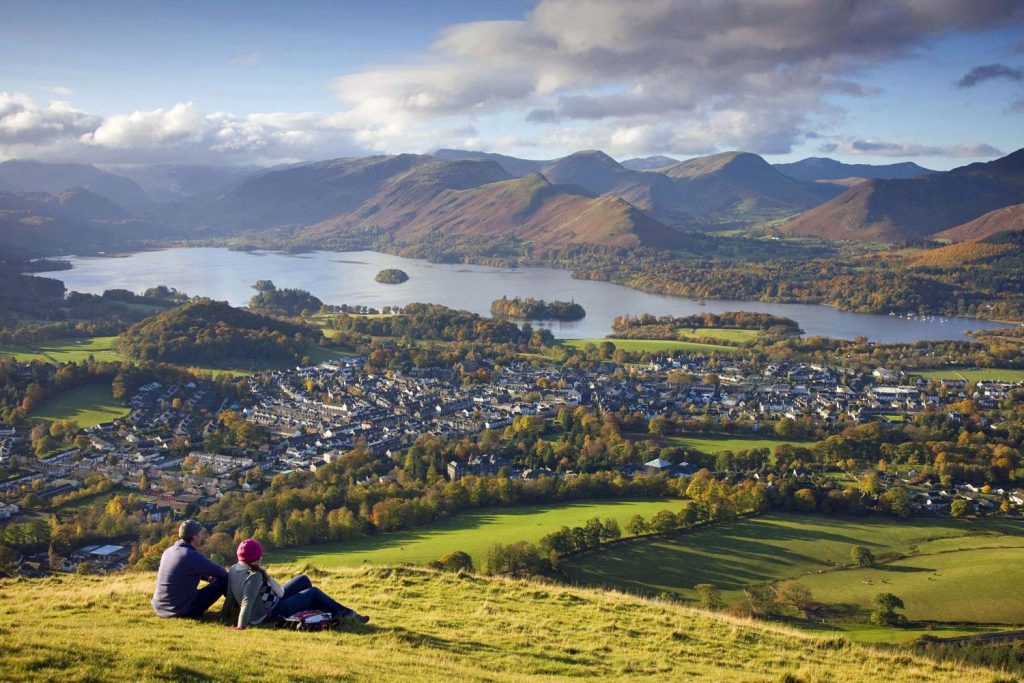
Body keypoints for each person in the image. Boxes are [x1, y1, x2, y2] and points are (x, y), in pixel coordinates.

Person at [222, 538, 369, 630]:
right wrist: (241, 626)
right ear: (255, 558)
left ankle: (316, 612)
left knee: (303, 580)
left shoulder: (234, 569)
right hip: (272, 612)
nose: (261, 559)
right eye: (260, 557)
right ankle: (348, 615)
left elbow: (230, 597)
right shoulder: (254, 575)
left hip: (273, 600)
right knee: (313, 592)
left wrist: (222, 616)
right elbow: (247, 602)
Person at [151, 519, 228, 618]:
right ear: (194, 537)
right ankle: (234, 610)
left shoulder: (168, 551)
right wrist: (213, 578)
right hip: (182, 611)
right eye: (200, 534)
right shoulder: (190, 555)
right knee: (225, 579)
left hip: (160, 609)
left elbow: (184, 571)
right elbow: (221, 572)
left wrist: (207, 578)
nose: (202, 536)